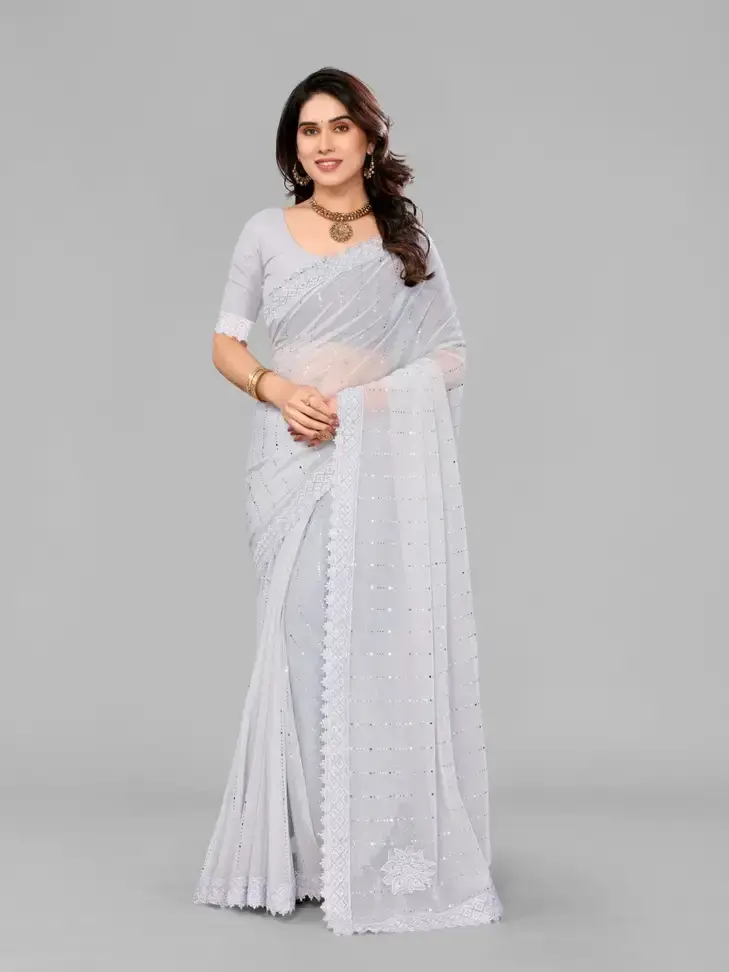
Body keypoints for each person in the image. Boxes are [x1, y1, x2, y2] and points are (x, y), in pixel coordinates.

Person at [192, 66, 504, 936]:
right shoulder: (265, 231)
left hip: (370, 457)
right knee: (297, 641)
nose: (323, 143)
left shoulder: (404, 239)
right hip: (286, 459)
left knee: (371, 635)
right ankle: (300, 849)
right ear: (292, 147)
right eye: (307, 130)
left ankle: (364, 847)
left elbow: (449, 353)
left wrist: (367, 406)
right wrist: (275, 389)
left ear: (369, 138)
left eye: (338, 126)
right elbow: (225, 341)